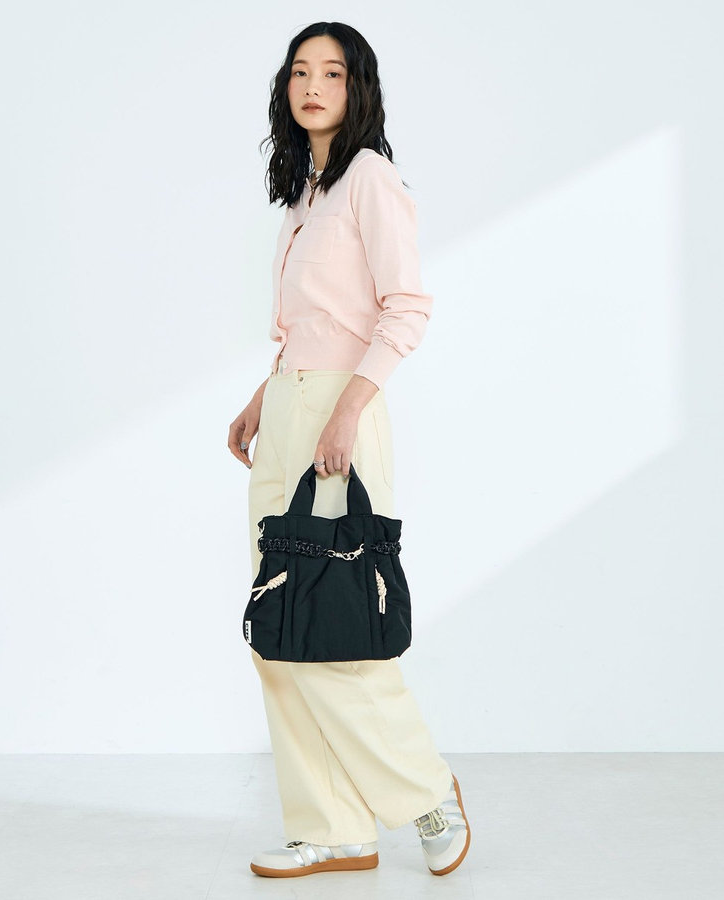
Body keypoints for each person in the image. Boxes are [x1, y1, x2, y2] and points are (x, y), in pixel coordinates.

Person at [228, 21, 472, 878]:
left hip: (341, 413)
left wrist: (345, 411)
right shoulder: (307, 191)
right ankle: (332, 827)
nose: (313, 85)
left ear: (357, 87)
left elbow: (405, 309)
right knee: (279, 625)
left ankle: (428, 792)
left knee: (335, 622)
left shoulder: (369, 177)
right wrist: (265, 396)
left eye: (331, 72)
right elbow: (317, 320)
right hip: (292, 406)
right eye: (301, 71)